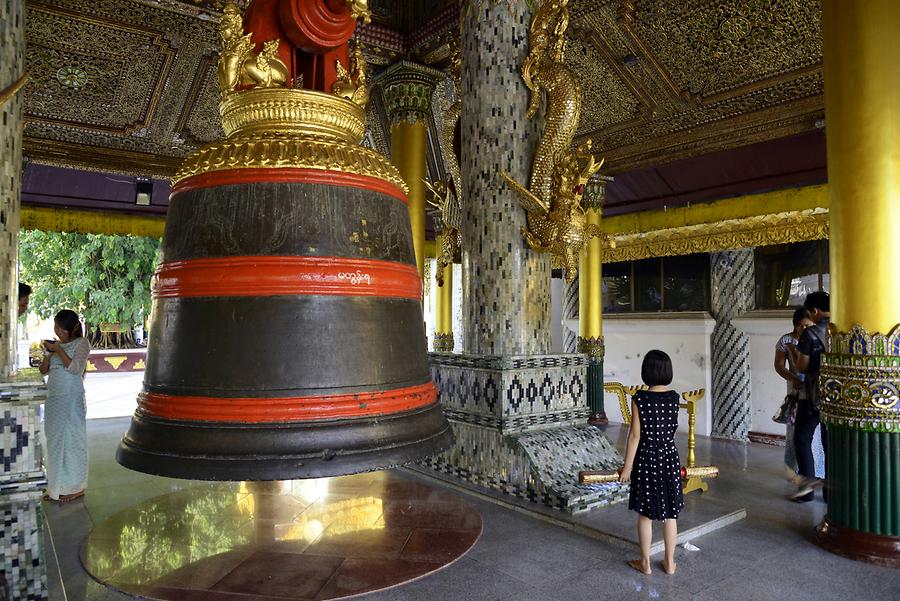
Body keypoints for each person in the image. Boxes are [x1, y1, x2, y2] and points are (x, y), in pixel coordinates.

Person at [619, 349, 684, 576]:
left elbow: (635, 436)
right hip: (669, 457)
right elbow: (670, 431)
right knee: (670, 513)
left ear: (646, 371)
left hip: (647, 458)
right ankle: (670, 563)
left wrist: (627, 467)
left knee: (646, 514)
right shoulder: (674, 398)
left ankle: (645, 563)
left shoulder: (640, 398)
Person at [39, 309, 91, 502]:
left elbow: (75, 369)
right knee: (53, 441)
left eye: (61, 328)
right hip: (53, 398)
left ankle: (76, 488)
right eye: (56, 327)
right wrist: (47, 354)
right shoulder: (56, 346)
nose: (57, 331)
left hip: (71, 398)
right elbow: (43, 371)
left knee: (72, 442)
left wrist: (58, 350)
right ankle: (56, 487)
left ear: (71, 328)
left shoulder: (82, 343)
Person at [789, 291, 830, 502]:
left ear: (814, 311)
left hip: (813, 396)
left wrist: (795, 353)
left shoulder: (811, 334)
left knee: (802, 438)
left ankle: (807, 491)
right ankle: (831, 495)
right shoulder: (840, 330)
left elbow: (802, 366)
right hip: (839, 397)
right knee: (829, 443)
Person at [773, 307, 813, 484]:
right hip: (796, 389)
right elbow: (779, 366)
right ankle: (793, 471)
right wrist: (793, 378)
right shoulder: (786, 340)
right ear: (795, 326)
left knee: (812, 433)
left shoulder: (816, 339)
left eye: (808, 326)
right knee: (793, 429)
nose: (805, 330)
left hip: (814, 389)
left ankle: (813, 472)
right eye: (801, 326)